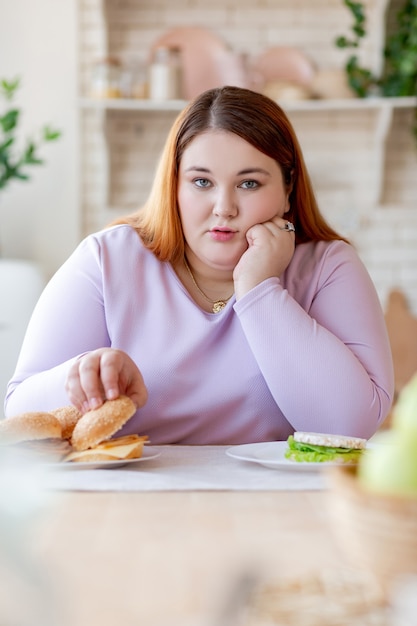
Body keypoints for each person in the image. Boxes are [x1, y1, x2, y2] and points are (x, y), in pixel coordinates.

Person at [4, 86, 394, 444]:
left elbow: (350, 428)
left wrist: (260, 288)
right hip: (129, 499)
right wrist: (85, 374)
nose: (224, 208)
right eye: (202, 182)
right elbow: (20, 413)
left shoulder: (328, 267)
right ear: (174, 185)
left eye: (249, 183)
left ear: (288, 190)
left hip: (280, 505)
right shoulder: (107, 260)